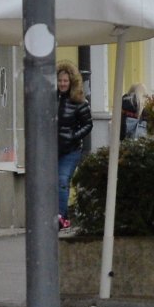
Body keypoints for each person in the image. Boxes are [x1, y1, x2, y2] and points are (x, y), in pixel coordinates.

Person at [56, 62, 92, 229]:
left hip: (70, 150)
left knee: (63, 180)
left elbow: (88, 125)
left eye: (65, 81)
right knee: (49, 184)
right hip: (51, 149)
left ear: (71, 82)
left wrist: (73, 136)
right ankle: (59, 214)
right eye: (60, 80)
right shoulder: (50, 99)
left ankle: (61, 217)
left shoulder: (79, 101)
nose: (62, 84)